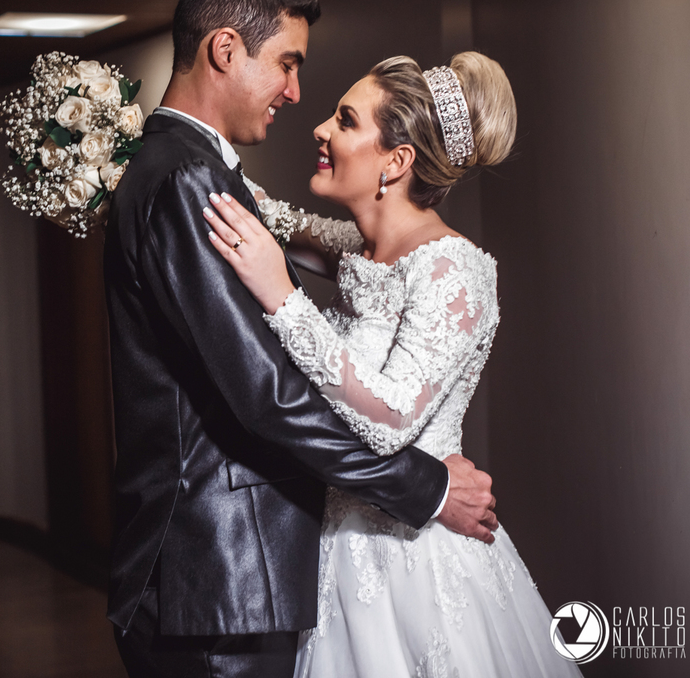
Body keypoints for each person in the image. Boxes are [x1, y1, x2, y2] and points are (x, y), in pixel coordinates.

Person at [104, 0, 497, 678]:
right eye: (288, 64)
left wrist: (283, 282)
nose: (297, 96)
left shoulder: (205, 177)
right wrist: (429, 487)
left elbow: (294, 249)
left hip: (290, 564)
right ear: (226, 50)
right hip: (219, 575)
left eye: (343, 118)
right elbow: (269, 394)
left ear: (397, 161)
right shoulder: (191, 179)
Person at [202, 52, 582, 676]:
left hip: (416, 560)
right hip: (332, 549)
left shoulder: (452, 269)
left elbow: (390, 419)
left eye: (345, 120)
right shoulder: (360, 248)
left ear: (397, 162)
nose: (321, 128)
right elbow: (272, 217)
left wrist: (283, 295)